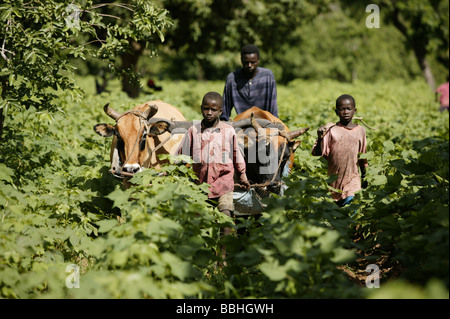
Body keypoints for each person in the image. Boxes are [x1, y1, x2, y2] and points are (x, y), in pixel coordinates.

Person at [177, 91, 250, 260]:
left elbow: (237, 155)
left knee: (225, 217)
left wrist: (243, 176)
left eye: (213, 109)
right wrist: (167, 173)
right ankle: (200, 256)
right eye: (205, 108)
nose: (209, 112)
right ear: (201, 108)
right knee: (197, 220)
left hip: (223, 183)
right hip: (199, 183)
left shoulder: (228, 131)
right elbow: (180, 155)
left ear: (221, 111)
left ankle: (222, 256)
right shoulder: (193, 131)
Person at [311, 94, 368, 207]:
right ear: (336, 112)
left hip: (353, 180)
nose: (345, 112)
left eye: (348, 109)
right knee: (337, 215)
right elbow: (318, 153)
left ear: (354, 111)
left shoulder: (360, 131)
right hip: (334, 181)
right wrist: (320, 137)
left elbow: (363, 156)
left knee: (351, 207)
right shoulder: (331, 130)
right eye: (342, 109)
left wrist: (365, 177)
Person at [221, 44, 278, 121]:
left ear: (258, 60)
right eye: (246, 62)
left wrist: (275, 123)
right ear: (241, 60)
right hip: (241, 123)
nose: (249, 65)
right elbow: (225, 109)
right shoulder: (232, 79)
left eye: (253, 62)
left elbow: (273, 108)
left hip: (265, 122)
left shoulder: (267, 76)